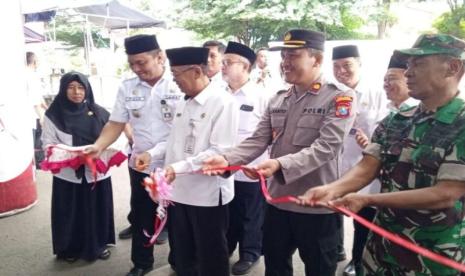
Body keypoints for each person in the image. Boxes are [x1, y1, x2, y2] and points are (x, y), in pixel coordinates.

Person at [298, 34, 465, 275]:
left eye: (418, 64)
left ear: (452, 67)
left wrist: (368, 200)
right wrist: (332, 189)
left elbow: (445, 193)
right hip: (382, 250)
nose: (408, 72)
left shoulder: (460, 124)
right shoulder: (397, 121)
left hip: (434, 254)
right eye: (408, 64)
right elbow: (367, 167)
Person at [203, 29, 357, 276]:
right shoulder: (278, 98)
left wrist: (278, 165)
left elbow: (327, 147)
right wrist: (226, 159)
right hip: (277, 202)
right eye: (283, 56)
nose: (285, 62)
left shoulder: (339, 97)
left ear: (316, 60)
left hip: (316, 204)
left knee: (319, 268)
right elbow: (257, 140)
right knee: (275, 266)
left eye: (293, 56)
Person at [85, 34, 182, 276]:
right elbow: (116, 122)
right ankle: (141, 263)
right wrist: (98, 146)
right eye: (132, 65)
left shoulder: (179, 84)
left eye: (142, 63)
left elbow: (185, 129)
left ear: (160, 57)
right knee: (142, 215)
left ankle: (179, 262)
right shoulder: (128, 87)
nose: (137, 69)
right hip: (141, 164)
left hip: (175, 165)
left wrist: (157, 153)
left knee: (179, 217)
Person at [163, 46, 239, 276]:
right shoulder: (183, 102)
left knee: (211, 255)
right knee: (184, 252)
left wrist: (177, 168)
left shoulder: (223, 102)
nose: (174, 80)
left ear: (196, 71)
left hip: (207, 196)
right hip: (179, 193)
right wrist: (153, 154)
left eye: (176, 74)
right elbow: (172, 141)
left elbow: (219, 150)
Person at [41, 71, 114, 262]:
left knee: (96, 208)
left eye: (81, 87)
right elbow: (47, 144)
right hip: (68, 174)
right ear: (63, 89)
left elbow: (113, 138)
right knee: (70, 211)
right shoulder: (53, 114)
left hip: (96, 171)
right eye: (71, 87)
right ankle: (69, 248)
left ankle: (99, 245)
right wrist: (73, 155)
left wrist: (98, 153)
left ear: (87, 89)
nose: (76, 92)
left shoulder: (100, 112)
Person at [332, 45, 389, 275]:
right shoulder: (334, 93)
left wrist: (372, 141)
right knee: (332, 210)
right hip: (337, 164)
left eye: (347, 65)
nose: (341, 71)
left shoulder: (376, 93)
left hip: (364, 168)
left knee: (361, 218)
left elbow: (384, 127)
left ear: (359, 64)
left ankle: (357, 261)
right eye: (336, 66)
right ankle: (337, 249)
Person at [222, 41, 269, 275]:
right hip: (223, 166)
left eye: (228, 62)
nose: (223, 66)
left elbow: (271, 133)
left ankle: (250, 253)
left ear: (245, 66)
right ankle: (227, 247)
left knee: (251, 214)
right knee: (228, 212)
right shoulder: (218, 94)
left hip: (252, 168)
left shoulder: (260, 96)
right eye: (223, 61)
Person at [26, 51, 48, 168]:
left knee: (34, 140)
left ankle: (36, 163)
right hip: (33, 114)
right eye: (37, 61)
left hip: (29, 114)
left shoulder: (23, 75)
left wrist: (47, 108)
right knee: (38, 141)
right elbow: (35, 100)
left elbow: (39, 97)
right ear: (34, 62)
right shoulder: (31, 76)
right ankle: (39, 164)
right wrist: (42, 116)